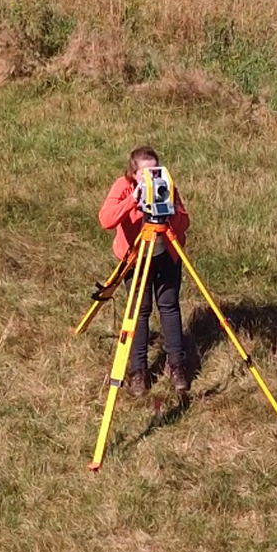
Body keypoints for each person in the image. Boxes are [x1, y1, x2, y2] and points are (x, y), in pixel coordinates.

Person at [98, 146, 190, 396]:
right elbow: (106, 220)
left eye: (155, 171)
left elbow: (185, 223)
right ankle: (139, 371)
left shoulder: (166, 185)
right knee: (140, 310)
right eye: (145, 174)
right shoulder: (123, 187)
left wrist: (169, 208)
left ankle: (176, 365)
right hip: (136, 257)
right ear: (133, 174)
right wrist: (133, 200)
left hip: (166, 255)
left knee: (169, 306)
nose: (152, 178)